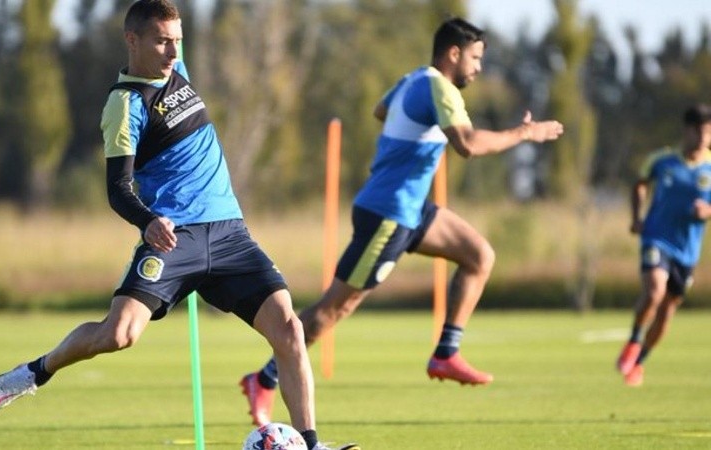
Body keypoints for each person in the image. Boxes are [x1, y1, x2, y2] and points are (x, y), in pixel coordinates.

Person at [0, 2, 357, 449]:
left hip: (231, 234)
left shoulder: (179, 69)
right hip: (174, 239)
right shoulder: (124, 105)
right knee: (118, 335)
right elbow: (118, 188)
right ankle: (37, 370)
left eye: (178, 39)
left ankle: (312, 444)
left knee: (290, 329)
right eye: (162, 40)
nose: (172, 50)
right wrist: (148, 221)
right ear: (132, 40)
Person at [240, 17, 564, 426]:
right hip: (387, 214)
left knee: (479, 255)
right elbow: (466, 144)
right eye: (476, 58)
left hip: (411, 209)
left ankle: (446, 352)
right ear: (453, 53)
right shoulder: (439, 88)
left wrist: (409, 132)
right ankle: (264, 379)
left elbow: (380, 110)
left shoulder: (413, 80)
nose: (479, 68)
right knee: (333, 310)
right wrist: (524, 134)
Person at [615, 103, 711, 387]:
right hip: (657, 237)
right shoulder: (662, 160)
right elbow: (640, 184)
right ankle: (633, 340)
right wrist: (636, 218)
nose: (706, 138)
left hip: (687, 250)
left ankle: (640, 362)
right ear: (688, 131)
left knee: (667, 309)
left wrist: (707, 211)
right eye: (702, 132)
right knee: (655, 290)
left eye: (710, 133)